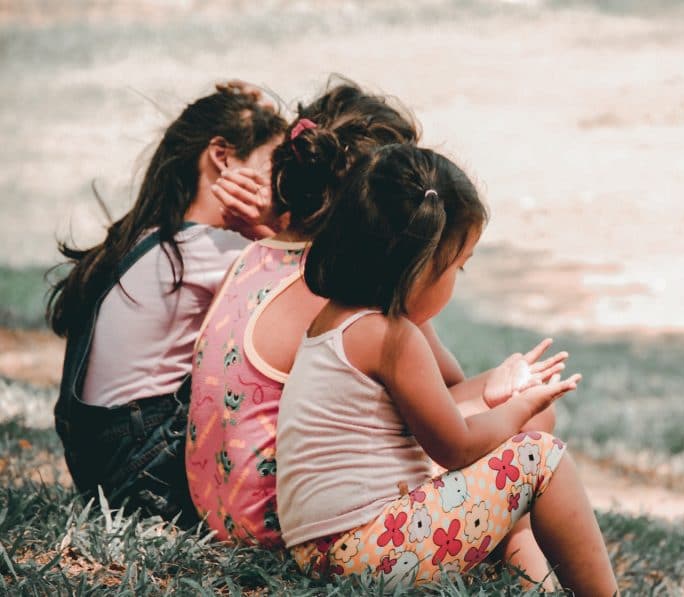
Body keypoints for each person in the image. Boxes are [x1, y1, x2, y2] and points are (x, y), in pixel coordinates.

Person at [276, 144, 619, 595]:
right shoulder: (390, 337)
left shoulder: (337, 321)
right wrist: (523, 408)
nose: (457, 279)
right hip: (368, 551)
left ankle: (537, 587)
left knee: (519, 448)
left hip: (324, 550)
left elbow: (438, 416)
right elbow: (455, 446)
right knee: (540, 456)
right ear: (420, 266)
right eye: (458, 266)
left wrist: (502, 396)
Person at [185, 80, 421, 546]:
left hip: (219, 510)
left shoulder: (251, 256)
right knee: (521, 428)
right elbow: (433, 409)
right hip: (284, 522)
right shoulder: (336, 291)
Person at [47, 85, 287, 527]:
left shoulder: (148, 238)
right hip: (147, 479)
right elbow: (313, 289)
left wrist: (252, 115)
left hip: (104, 470)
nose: (279, 187)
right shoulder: (211, 250)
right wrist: (272, 226)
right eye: (273, 167)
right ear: (222, 155)